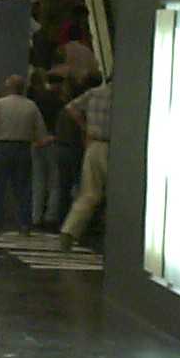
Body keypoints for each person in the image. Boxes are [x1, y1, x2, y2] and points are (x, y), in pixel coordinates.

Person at [0, 75, 43, 237]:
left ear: (8, 88)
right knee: (23, 189)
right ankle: (24, 225)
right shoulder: (31, 106)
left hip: (1, 147)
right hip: (23, 148)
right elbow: (40, 132)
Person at [59, 76, 112, 252]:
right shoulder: (122, 96)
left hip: (93, 145)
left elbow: (71, 108)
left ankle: (69, 231)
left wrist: (85, 126)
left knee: (89, 193)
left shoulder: (94, 93)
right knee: (117, 195)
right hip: (114, 147)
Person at [33, 75, 83, 231]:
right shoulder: (62, 104)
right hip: (55, 142)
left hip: (37, 142)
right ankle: (51, 217)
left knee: (39, 181)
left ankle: (36, 216)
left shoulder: (38, 100)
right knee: (55, 183)